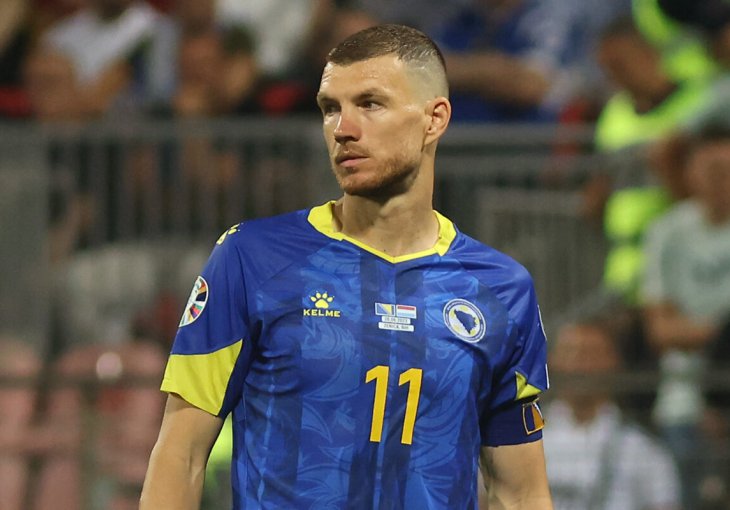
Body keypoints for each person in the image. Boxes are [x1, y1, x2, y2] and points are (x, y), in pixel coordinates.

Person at [141, 24, 552, 509]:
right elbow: (181, 454)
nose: (343, 129)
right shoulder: (251, 259)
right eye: (330, 108)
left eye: (370, 104)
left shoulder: (500, 290)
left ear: (434, 119)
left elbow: (520, 493)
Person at [642, 124, 730, 509]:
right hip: (684, 399)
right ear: (691, 173)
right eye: (712, 171)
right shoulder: (667, 232)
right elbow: (660, 329)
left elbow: (675, 324)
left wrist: (695, 328)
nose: (720, 181)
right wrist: (724, 334)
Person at [543, 320, 681, 510]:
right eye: (570, 352)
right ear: (551, 360)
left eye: (592, 354)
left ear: (615, 362)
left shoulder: (645, 450)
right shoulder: (523, 441)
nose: (580, 365)